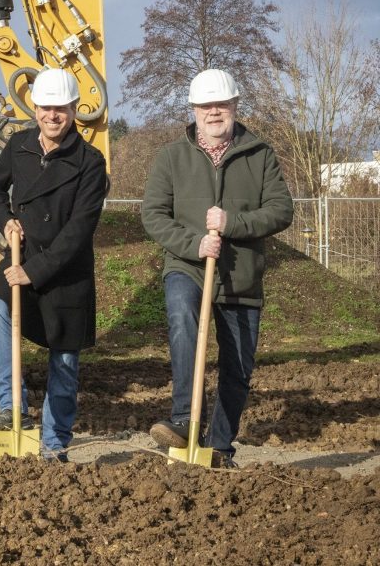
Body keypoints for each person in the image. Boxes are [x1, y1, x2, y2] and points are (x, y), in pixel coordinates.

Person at [142, 68, 293, 468]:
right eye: (206, 105)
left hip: (242, 274)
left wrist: (232, 224)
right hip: (187, 266)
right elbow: (154, 215)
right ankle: (182, 418)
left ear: (235, 106)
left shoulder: (260, 155)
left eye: (221, 104)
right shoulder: (171, 157)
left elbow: (281, 210)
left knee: (238, 369)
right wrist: (194, 243)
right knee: (181, 317)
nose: (214, 112)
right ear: (193, 110)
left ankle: (220, 447)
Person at [0, 68, 108, 462]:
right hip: (22, 253)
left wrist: (34, 272)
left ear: (73, 111)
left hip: (65, 271)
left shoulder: (90, 161)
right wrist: (6, 221)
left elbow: (79, 229)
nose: (53, 116)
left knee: (64, 361)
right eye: (46, 108)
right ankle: (10, 405)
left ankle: (54, 443)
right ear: (35, 108)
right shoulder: (18, 146)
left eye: (61, 109)